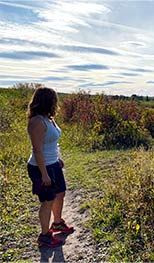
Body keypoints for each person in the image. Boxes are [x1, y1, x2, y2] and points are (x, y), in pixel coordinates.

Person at [27, 86, 74, 247]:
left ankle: (58, 223)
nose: (56, 102)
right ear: (48, 101)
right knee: (47, 200)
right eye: (54, 99)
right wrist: (44, 174)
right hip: (41, 166)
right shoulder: (37, 122)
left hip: (53, 163)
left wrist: (57, 159)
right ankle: (45, 236)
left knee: (60, 193)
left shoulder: (49, 118)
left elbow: (53, 142)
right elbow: (37, 149)